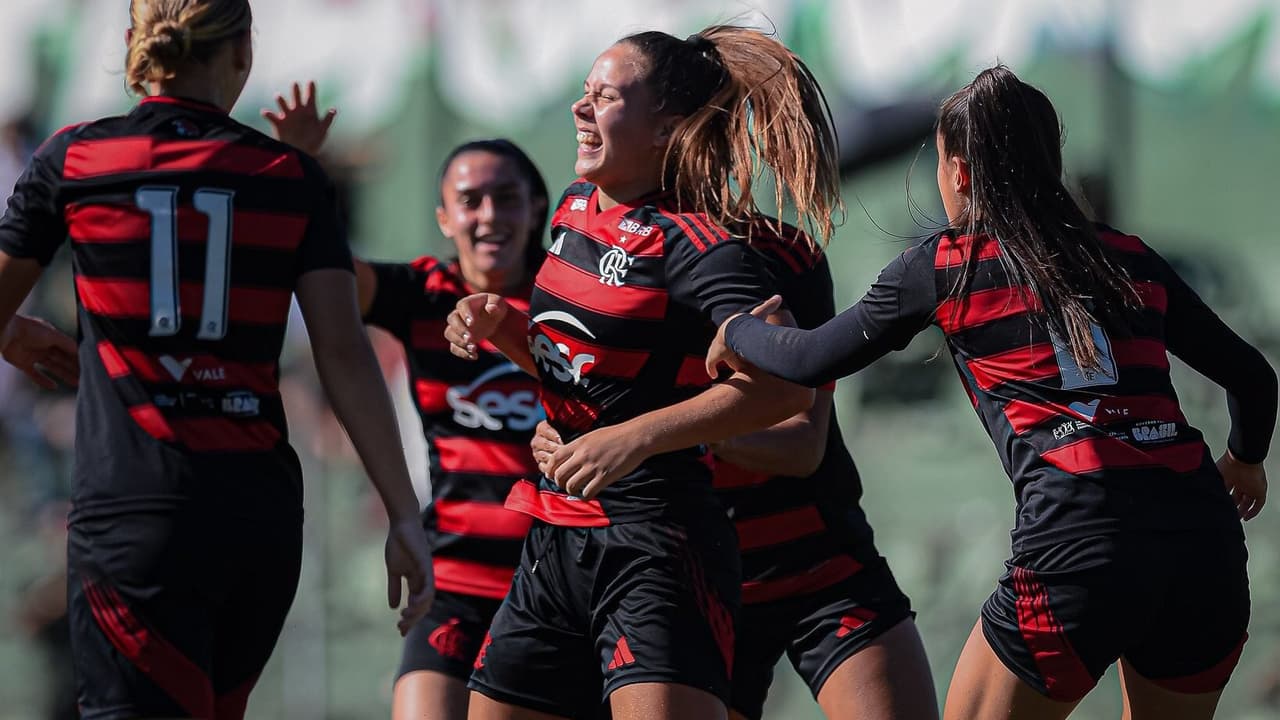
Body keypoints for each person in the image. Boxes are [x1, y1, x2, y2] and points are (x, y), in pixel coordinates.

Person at [708, 65, 1274, 720]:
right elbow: (1253, 378)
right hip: (1203, 543)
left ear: (959, 173)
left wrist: (737, 328)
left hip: (1080, 540)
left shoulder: (948, 265)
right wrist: (1245, 459)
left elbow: (807, 360)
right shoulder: (1128, 257)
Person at [0, 2, 434, 718]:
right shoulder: (289, 176)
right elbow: (343, 351)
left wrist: (13, 333)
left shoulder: (77, 158)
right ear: (243, 51)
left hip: (138, 510)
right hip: (256, 519)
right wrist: (403, 513)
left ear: (136, 44)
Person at [446, 26, 835, 720]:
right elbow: (585, 374)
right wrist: (501, 326)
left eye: (604, 96)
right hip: (554, 538)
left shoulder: (701, 246)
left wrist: (633, 438)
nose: (580, 107)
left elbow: (784, 387)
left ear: (663, 129)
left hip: (655, 546)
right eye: (584, 91)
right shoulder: (573, 207)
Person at [532, 216, 939, 720]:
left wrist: (669, 433)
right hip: (691, 582)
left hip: (817, 565)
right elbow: (579, 393)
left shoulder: (782, 251)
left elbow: (803, 445)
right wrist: (569, 428)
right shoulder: (603, 243)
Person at [265, 88, 553, 720]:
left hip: (556, 586)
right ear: (444, 218)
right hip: (452, 580)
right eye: (469, 200)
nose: (489, 215)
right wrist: (301, 172)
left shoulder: (572, 300)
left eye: (506, 197)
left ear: (537, 207)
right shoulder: (424, 291)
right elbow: (324, 276)